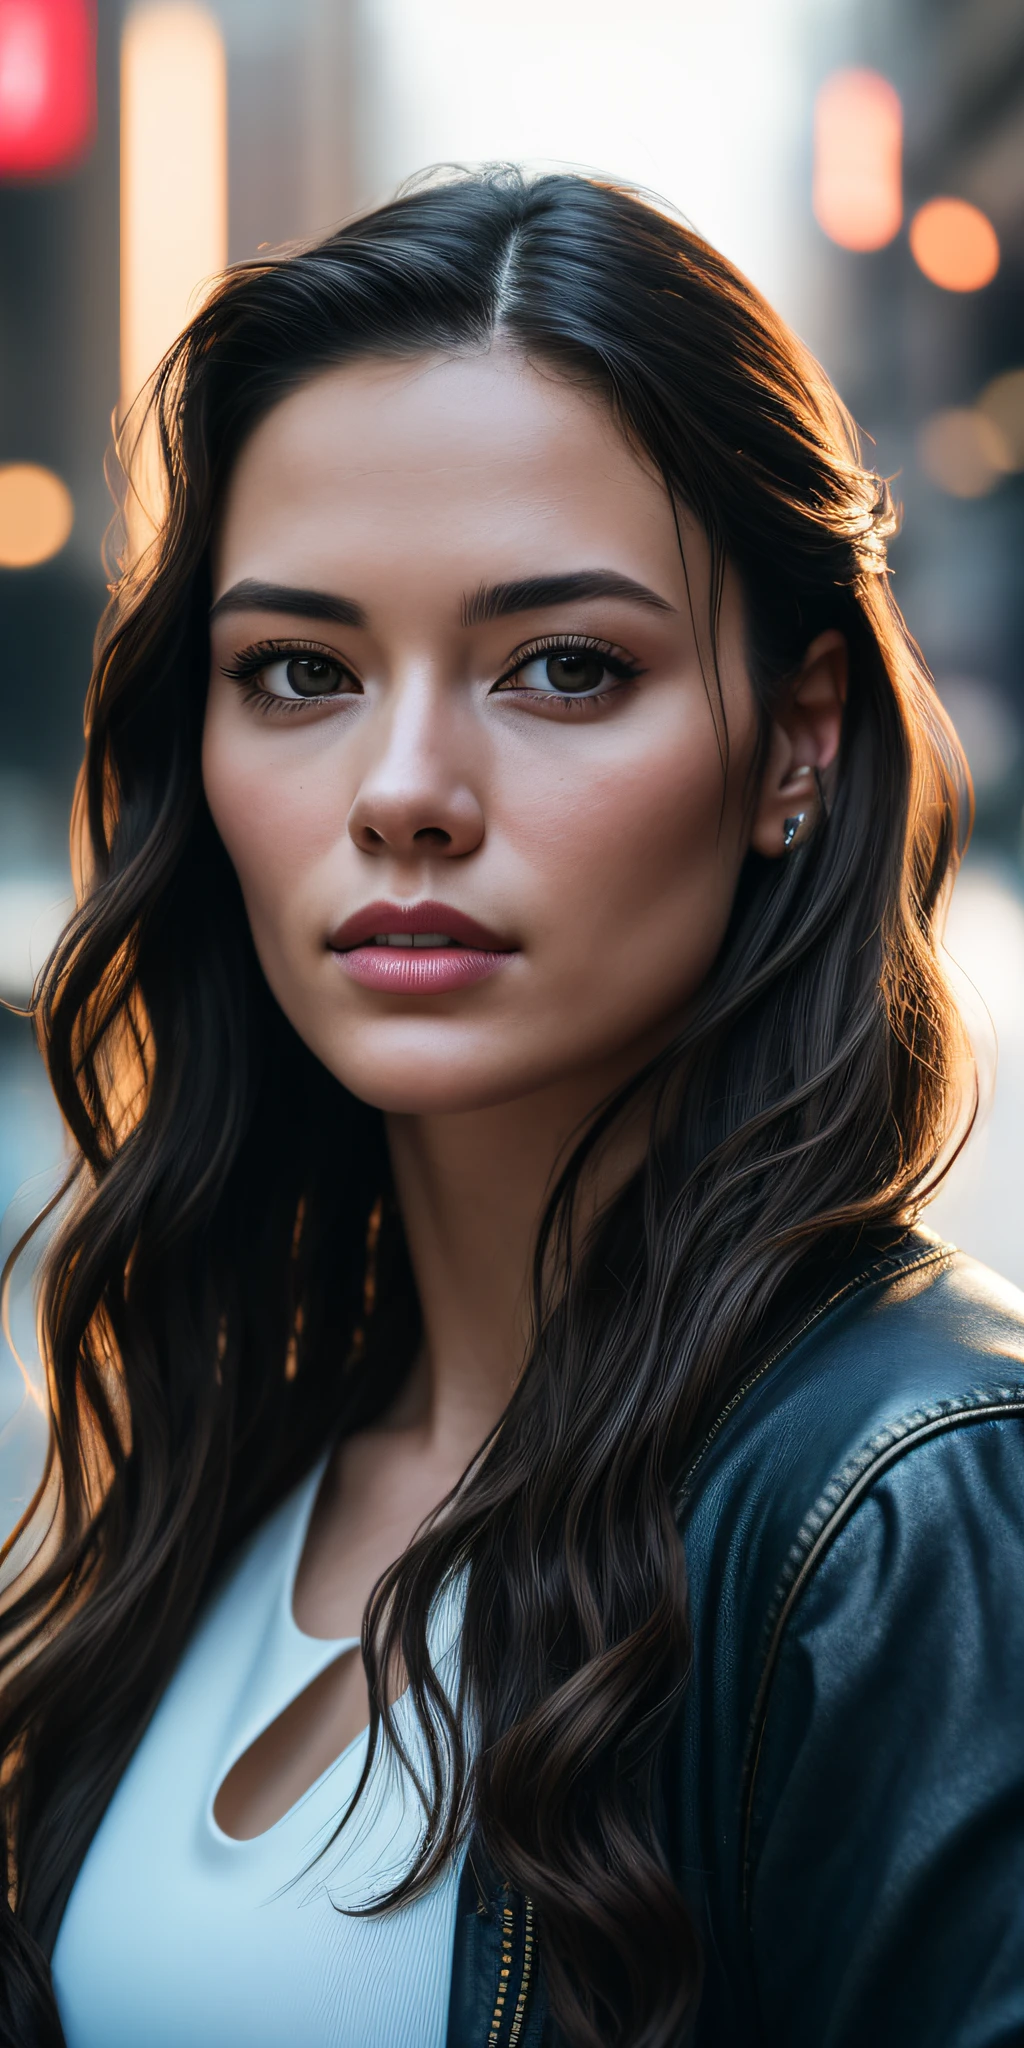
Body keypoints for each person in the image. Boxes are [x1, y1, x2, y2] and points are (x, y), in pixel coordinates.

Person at [1, 167, 1022, 2048]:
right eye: (298, 671)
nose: (403, 790)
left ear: (795, 742)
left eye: (565, 667)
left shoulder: (916, 1505)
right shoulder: (240, 1439)